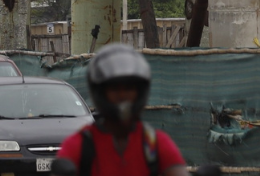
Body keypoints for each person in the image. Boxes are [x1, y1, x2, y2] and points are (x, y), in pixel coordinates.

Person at [53, 44, 188, 176]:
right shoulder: (80, 146)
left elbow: (178, 171)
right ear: (100, 93)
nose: (122, 96)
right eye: (115, 89)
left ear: (140, 92)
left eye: (129, 89)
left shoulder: (154, 143)